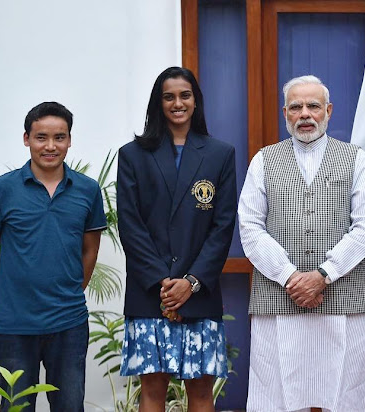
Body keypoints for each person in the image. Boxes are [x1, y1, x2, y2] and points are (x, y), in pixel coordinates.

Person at [238, 75, 365, 412]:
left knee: (348, 394)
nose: (305, 114)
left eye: (313, 106)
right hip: (279, 297)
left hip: (343, 296)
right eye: (296, 107)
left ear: (328, 111)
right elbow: (249, 227)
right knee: (276, 396)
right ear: (285, 113)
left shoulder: (356, 159)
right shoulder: (263, 160)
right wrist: (292, 277)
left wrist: (323, 275)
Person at [117, 66, 236, 412]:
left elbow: (223, 226)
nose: (177, 103)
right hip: (149, 292)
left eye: (185, 95)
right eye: (168, 96)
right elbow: (130, 224)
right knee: (152, 393)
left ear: (196, 101)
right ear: (158, 103)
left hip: (199, 294)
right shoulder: (133, 154)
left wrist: (191, 282)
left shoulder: (219, 154)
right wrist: (162, 282)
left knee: (200, 393)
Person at [0, 102, 106, 411]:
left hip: (70, 323)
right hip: (15, 325)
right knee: (17, 407)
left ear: (69, 140)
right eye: (41, 137)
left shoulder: (88, 190)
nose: (51, 146)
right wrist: (11, 287)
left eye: (59, 137)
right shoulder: (1, 190)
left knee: (70, 406)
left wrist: (72, 288)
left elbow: (90, 249)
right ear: (26, 139)